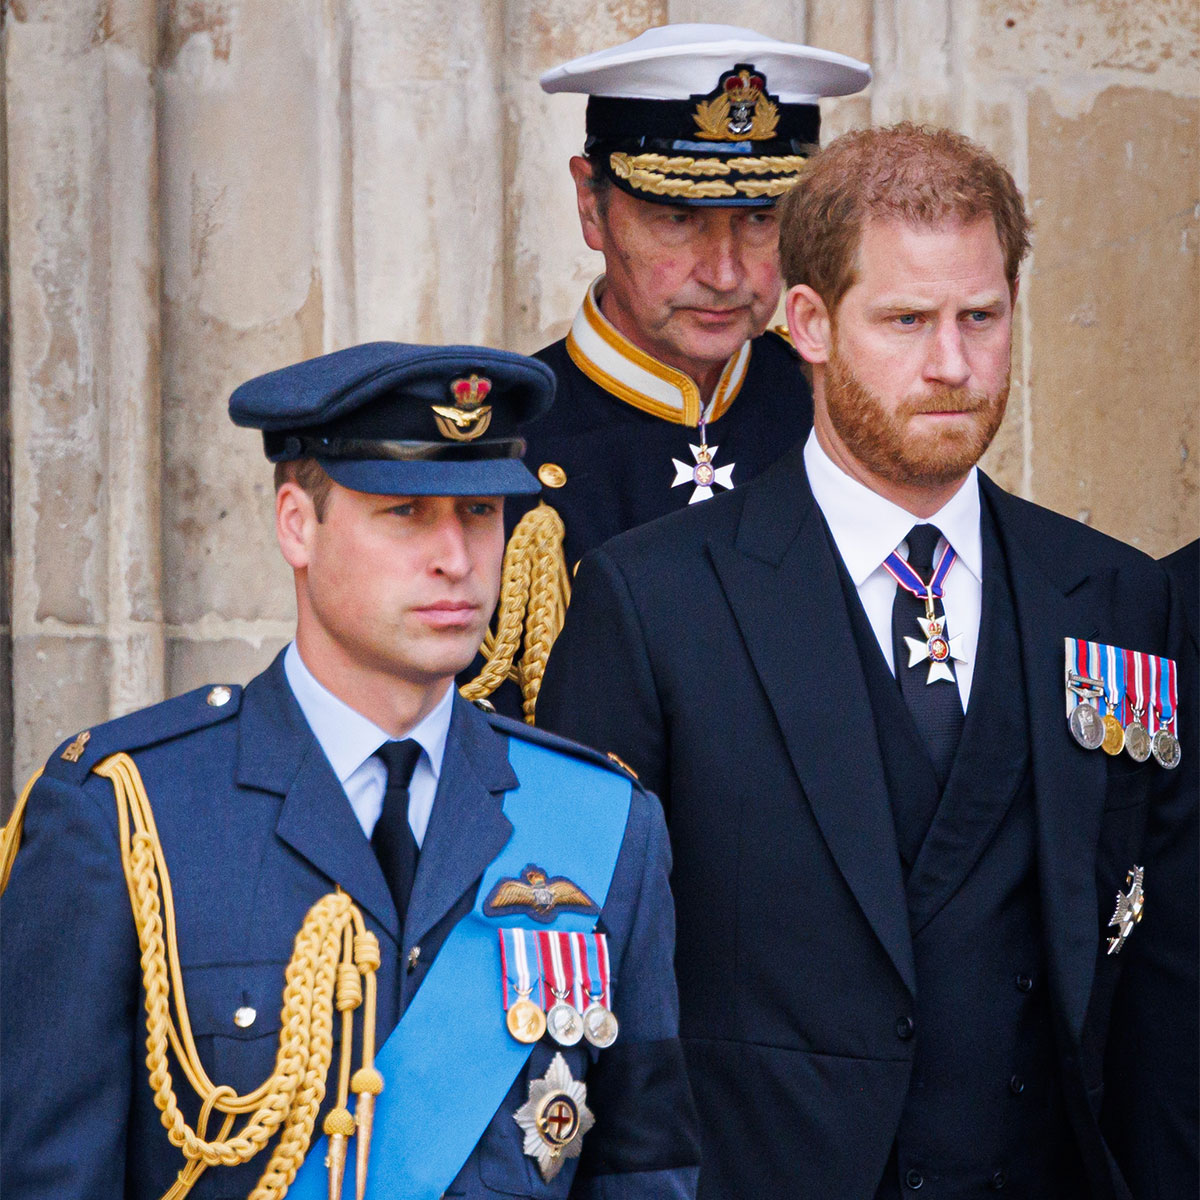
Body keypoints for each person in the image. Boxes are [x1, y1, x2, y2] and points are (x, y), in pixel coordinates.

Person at [537, 125, 1198, 1198]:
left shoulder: (1117, 598)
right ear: (808, 322)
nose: (952, 365)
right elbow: (582, 983)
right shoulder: (653, 603)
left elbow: (1169, 986)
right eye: (906, 321)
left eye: (980, 318)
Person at [0, 343, 699, 1199]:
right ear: (298, 523)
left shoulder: (603, 824)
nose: (455, 556)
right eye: (405, 512)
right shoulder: (126, 819)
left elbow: (645, 1169)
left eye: (480, 511)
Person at [460, 24, 869, 720]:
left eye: (762, 218)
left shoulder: (843, 408)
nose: (725, 272)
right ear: (593, 207)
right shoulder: (497, 441)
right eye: (679, 218)